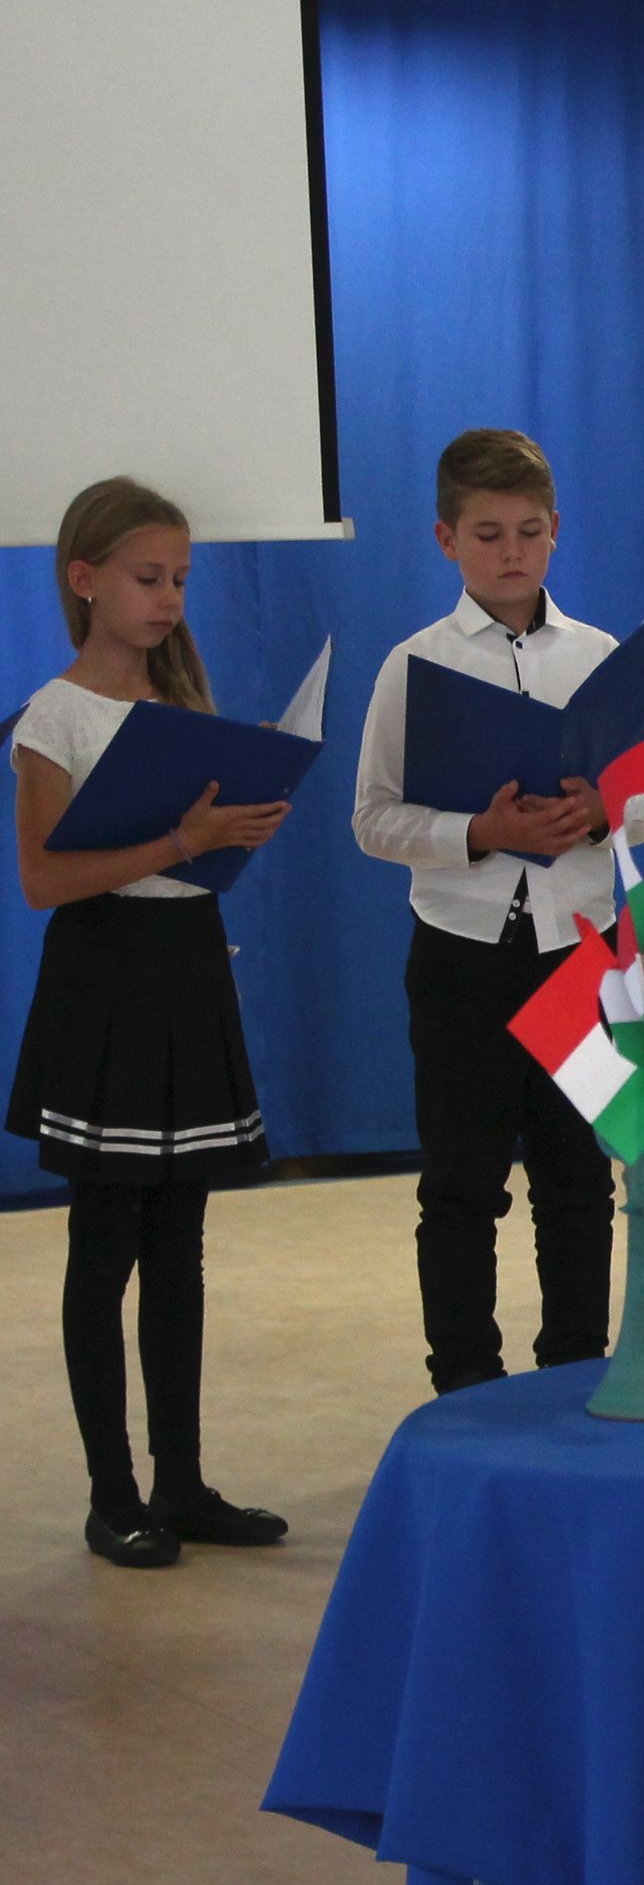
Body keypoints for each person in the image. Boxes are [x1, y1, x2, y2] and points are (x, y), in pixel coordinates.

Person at [9, 478, 289, 1567]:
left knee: (180, 1242)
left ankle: (182, 1481)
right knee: (106, 1239)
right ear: (85, 580)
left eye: (180, 578)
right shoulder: (55, 714)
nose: (170, 597)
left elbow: (193, 859)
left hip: (183, 966)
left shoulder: (180, 708)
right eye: (147, 577)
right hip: (106, 979)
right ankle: (112, 1492)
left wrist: (237, 824)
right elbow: (44, 879)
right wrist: (181, 841)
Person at [354, 428, 619, 1394]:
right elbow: (372, 818)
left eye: (529, 532)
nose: (512, 552)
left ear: (557, 531)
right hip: (463, 954)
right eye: (487, 534)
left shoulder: (598, 656)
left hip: (580, 946)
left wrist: (604, 812)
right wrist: (478, 831)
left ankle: (574, 1372)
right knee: (462, 1184)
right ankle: (465, 1384)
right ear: (445, 539)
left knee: (578, 1179)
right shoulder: (414, 665)